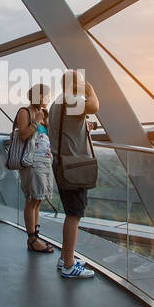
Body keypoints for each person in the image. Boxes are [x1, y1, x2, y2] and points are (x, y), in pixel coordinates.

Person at [48, 70, 99, 280]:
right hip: (73, 166)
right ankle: (69, 265)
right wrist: (91, 90)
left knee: (72, 212)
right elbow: (95, 106)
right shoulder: (71, 100)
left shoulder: (58, 102)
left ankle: (64, 258)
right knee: (74, 214)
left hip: (62, 163)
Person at [14, 84, 55, 254]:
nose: (48, 99)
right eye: (46, 96)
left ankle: (35, 236)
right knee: (32, 200)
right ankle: (32, 239)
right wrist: (36, 121)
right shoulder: (25, 112)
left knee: (37, 200)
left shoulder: (43, 114)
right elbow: (23, 134)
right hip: (31, 163)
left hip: (43, 161)